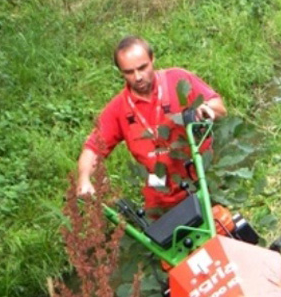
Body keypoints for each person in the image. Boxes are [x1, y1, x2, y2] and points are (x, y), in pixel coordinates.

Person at [77, 36, 227, 213]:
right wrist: (84, 179)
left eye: (142, 68)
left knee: (222, 231)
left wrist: (205, 109)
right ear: (120, 72)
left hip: (203, 181)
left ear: (152, 59)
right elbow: (93, 148)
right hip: (162, 197)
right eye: (129, 72)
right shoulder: (118, 108)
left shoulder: (178, 79)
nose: (138, 77)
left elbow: (220, 108)